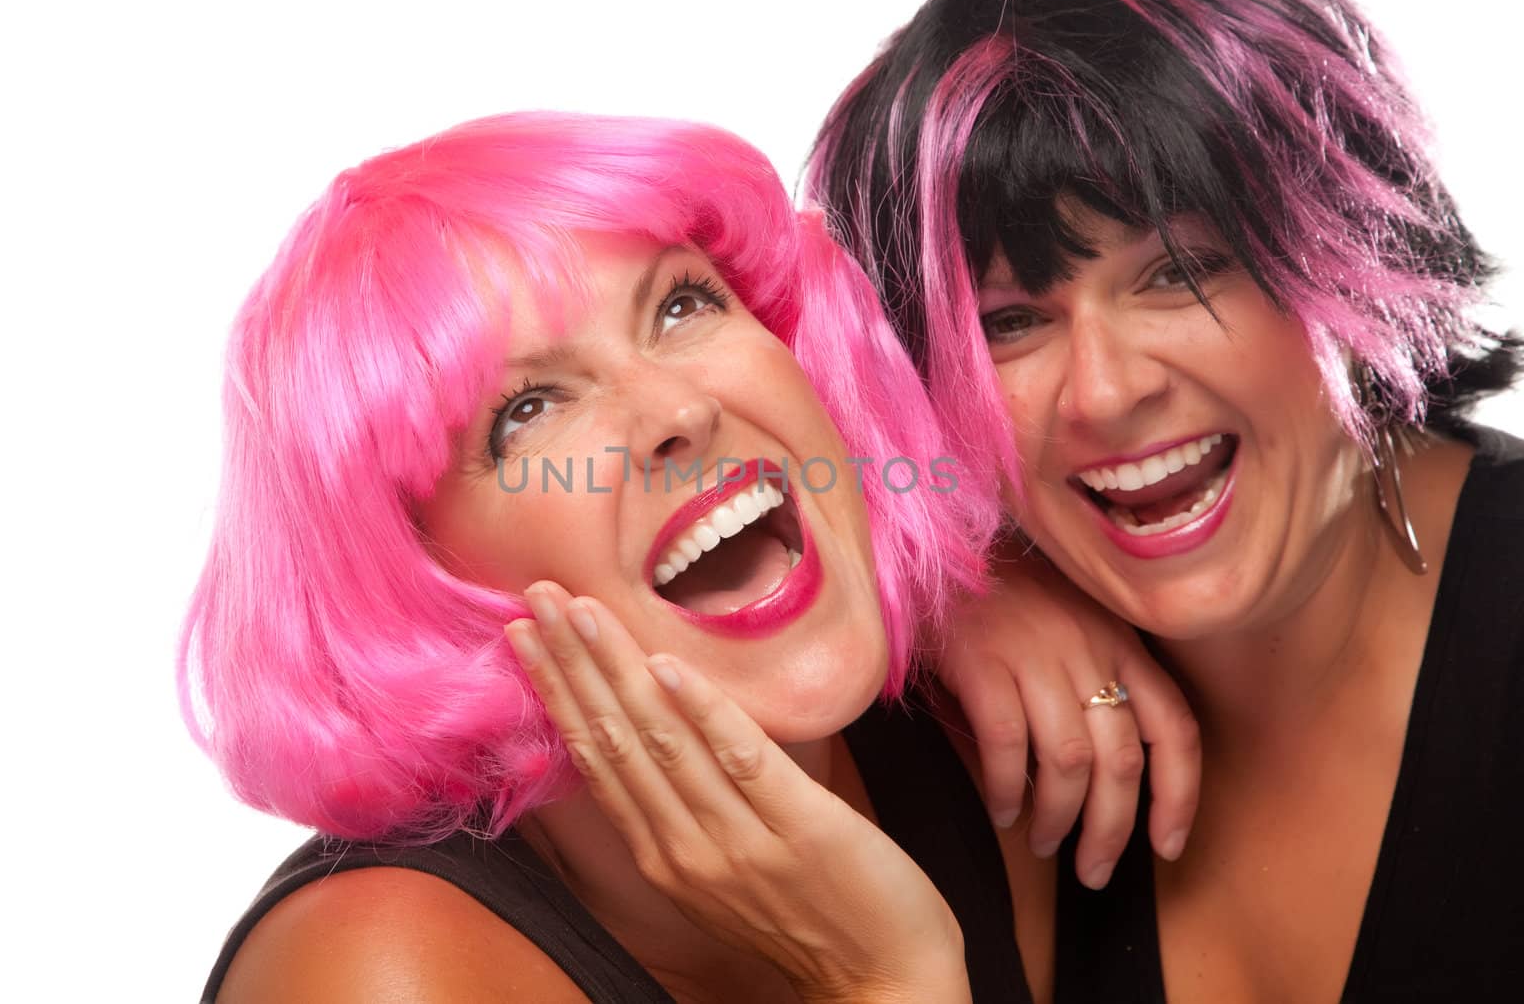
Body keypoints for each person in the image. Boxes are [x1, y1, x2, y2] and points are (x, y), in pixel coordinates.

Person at [182, 111, 1195, 1002]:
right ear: (418, 580)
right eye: (526, 410)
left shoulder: (978, 749)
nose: (678, 409)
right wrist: (880, 980)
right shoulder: (374, 971)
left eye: (682, 304)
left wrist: (990, 579)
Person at [808, 0, 1523, 1001]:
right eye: (1009, 322)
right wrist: (938, 584)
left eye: (1178, 271)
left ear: (1353, 248)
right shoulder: (963, 719)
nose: (1100, 392)